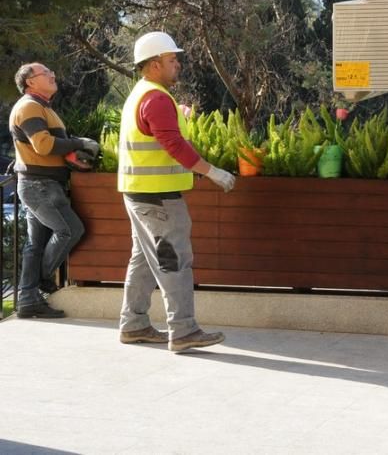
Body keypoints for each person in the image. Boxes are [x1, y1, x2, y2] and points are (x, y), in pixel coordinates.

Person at [117, 31, 237, 352]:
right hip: (159, 197)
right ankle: (183, 331)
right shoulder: (156, 99)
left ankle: (134, 325)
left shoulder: (143, 94)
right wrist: (213, 172)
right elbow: (173, 145)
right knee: (175, 260)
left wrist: (178, 116)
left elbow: (159, 133)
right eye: (172, 60)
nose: (177, 64)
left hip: (139, 193)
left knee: (143, 259)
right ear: (154, 65)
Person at [9, 63, 100, 318]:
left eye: (52, 71)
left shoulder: (41, 107)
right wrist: (80, 142)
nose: (52, 75)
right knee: (70, 230)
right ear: (30, 82)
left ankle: (28, 299)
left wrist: (71, 153)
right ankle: (35, 284)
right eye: (45, 73)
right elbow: (44, 145)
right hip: (40, 186)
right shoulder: (29, 106)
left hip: (39, 184)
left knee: (34, 245)